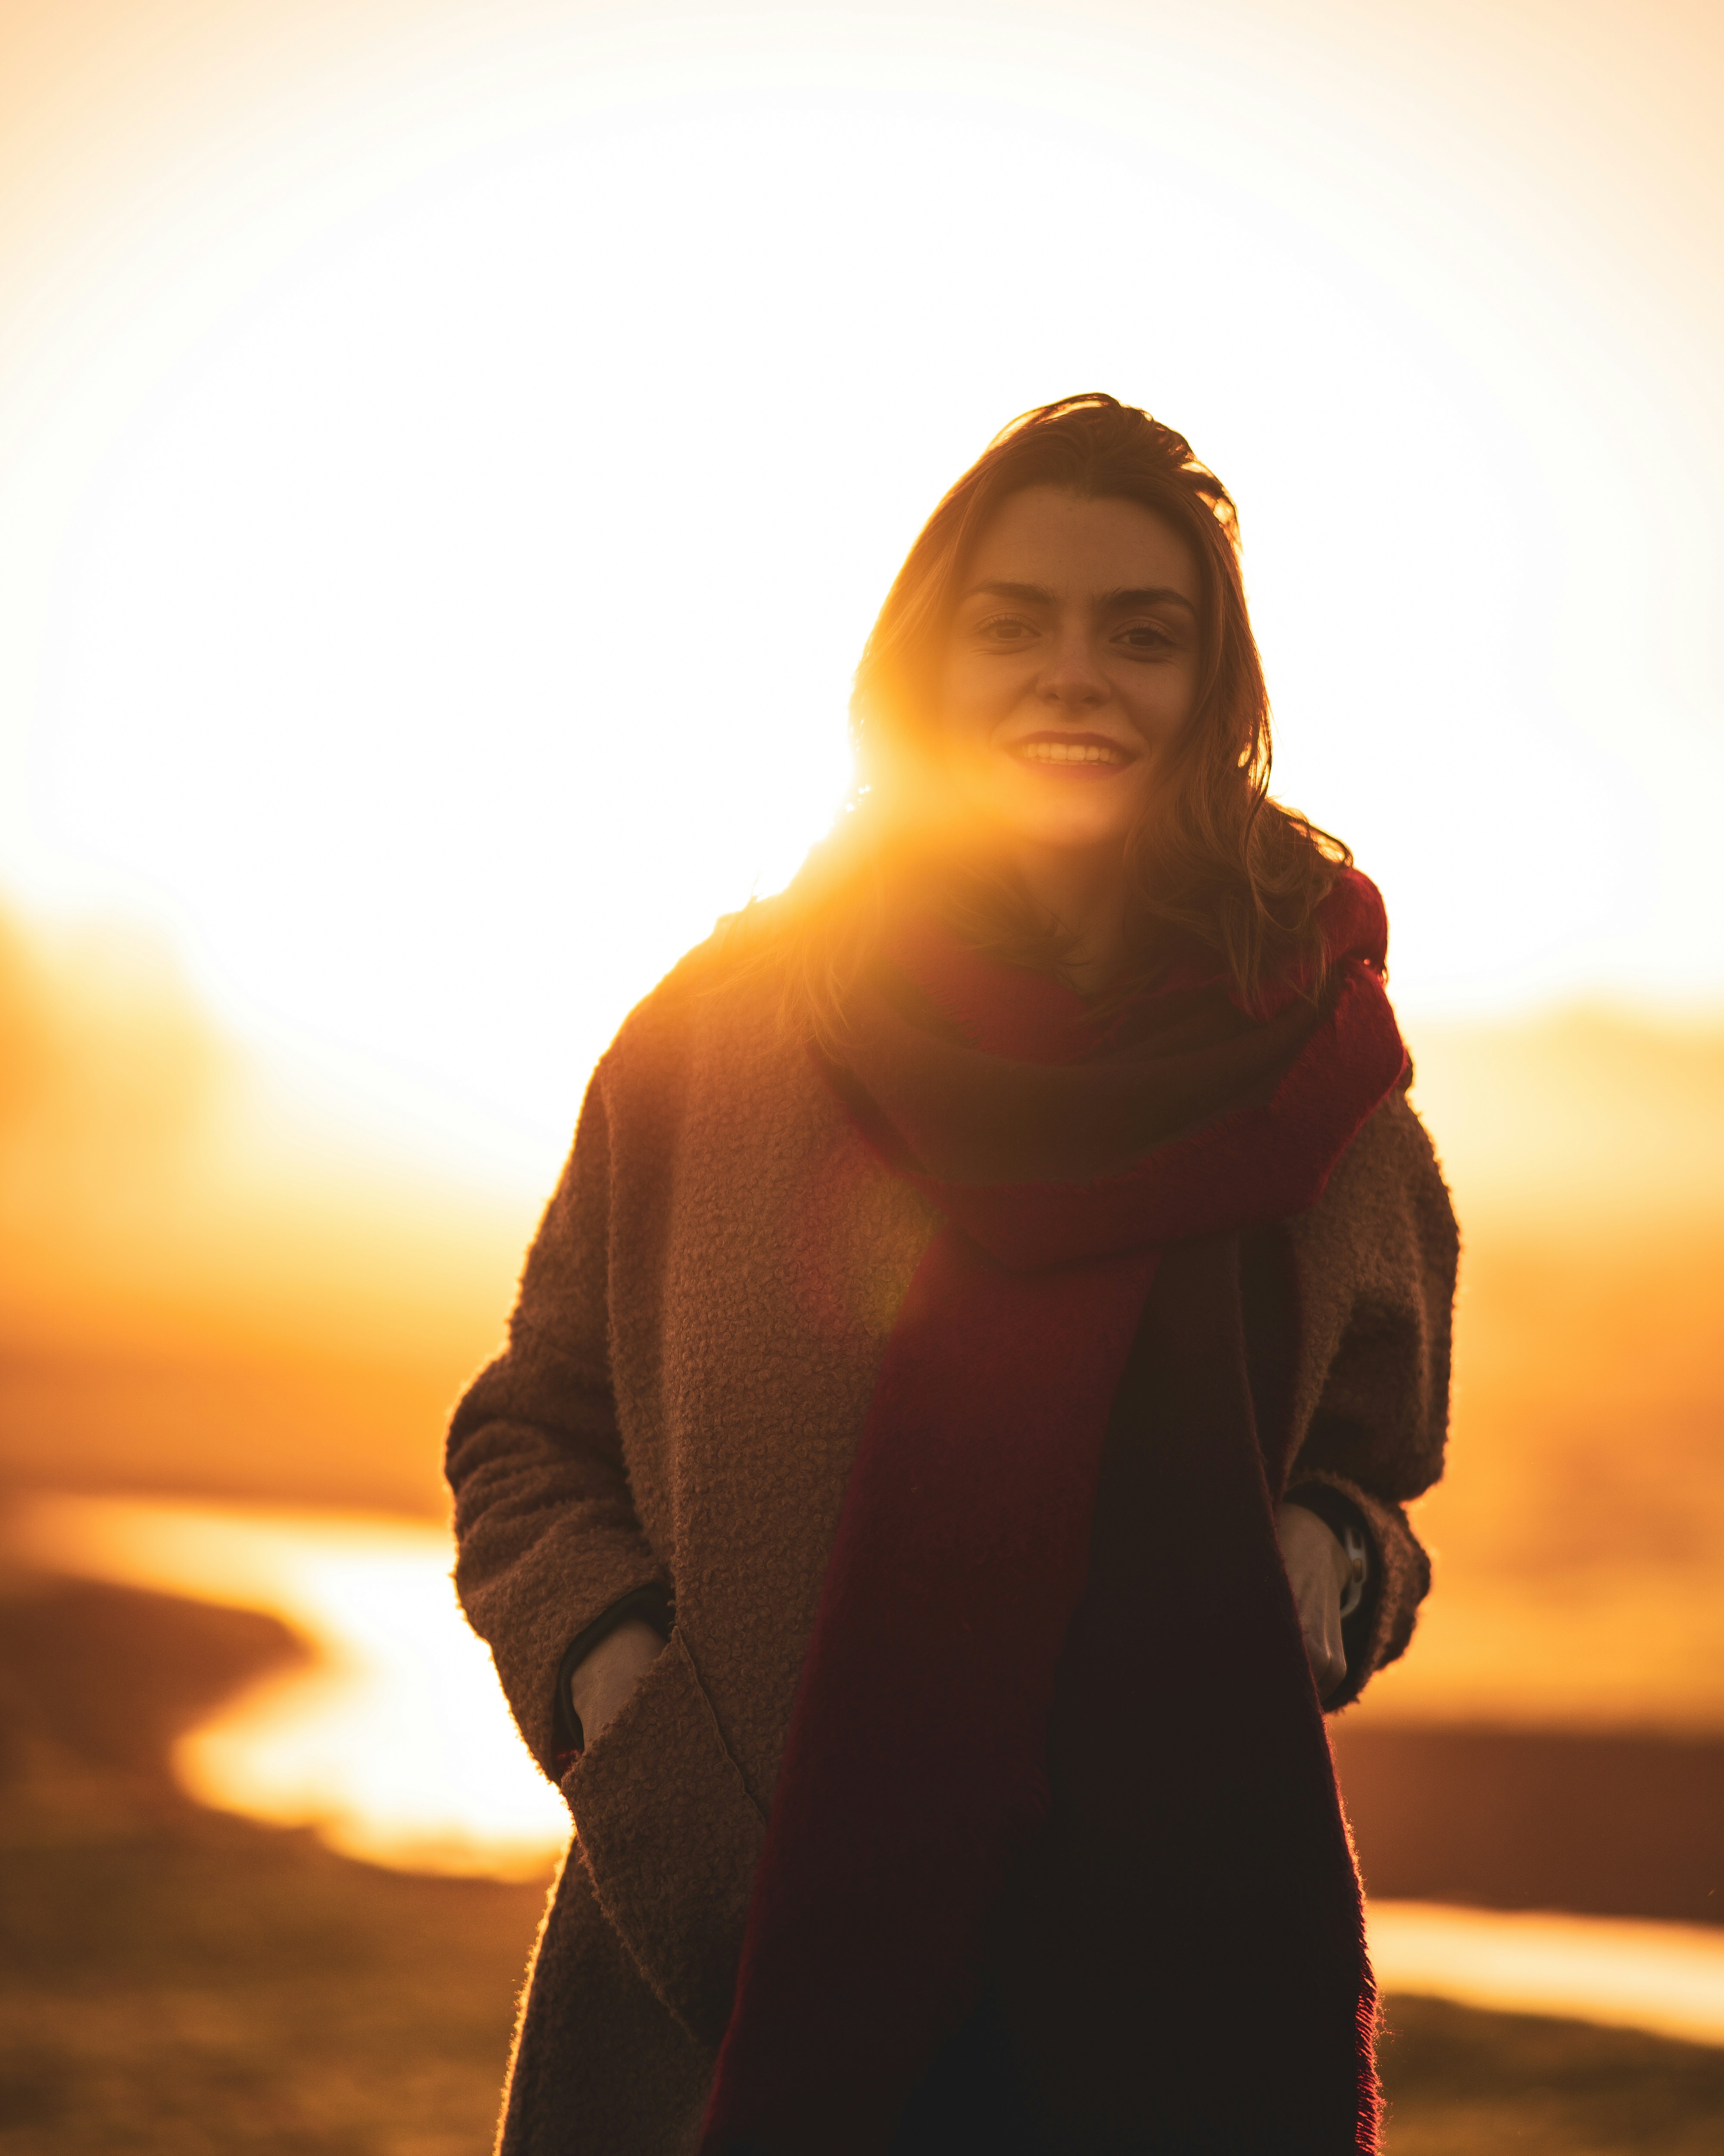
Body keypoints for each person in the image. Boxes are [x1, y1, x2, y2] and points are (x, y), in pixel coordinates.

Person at [447, 394, 1458, 2156]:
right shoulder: (720, 1036)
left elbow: (1373, 1472)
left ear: (1213, 690)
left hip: (1179, 1997)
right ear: (930, 661)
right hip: (739, 1963)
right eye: (1014, 626)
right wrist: (624, 1706)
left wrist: (1338, 1550)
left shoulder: (1318, 1082)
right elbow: (530, 1433)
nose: (1074, 678)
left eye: (1141, 634)